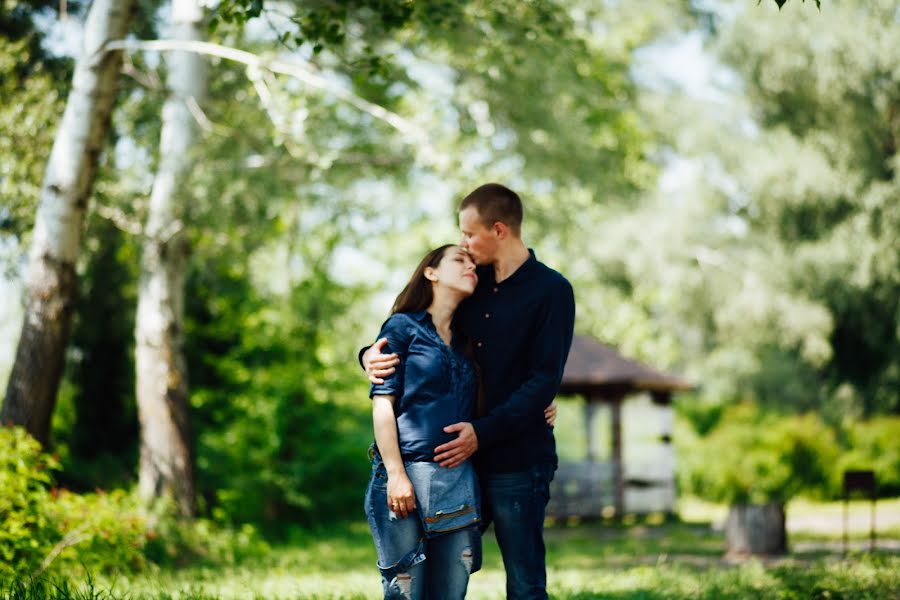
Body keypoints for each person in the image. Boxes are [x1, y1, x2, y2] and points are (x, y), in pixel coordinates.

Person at [364, 183, 576, 599]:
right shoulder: (469, 288)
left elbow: (543, 379)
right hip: (452, 468)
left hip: (516, 460)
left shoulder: (551, 290)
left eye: (469, 234)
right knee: (426, 575)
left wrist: (486, 430)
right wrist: (369, 355)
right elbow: (421, 340)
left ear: (499, 230)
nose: (463, 244)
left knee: (524, 580)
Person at [364, 244, 484, 600]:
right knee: (404, 593)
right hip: (405, 479)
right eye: (459, 260)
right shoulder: (402, 327)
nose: (471, 267)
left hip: (457, 484)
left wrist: (544, 402)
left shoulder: (467, 343)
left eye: (475, 264)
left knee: (451, 594)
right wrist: (397, 474)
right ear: (431, 272)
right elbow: (382, 404)